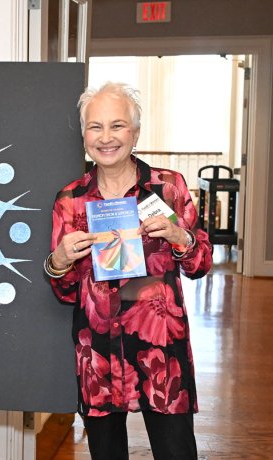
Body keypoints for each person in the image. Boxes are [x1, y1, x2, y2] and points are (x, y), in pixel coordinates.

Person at [44, 82, 212, 459]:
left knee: (177, 453)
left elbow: (200, 265)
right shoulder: (71, 200)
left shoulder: (167, 189)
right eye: (95, 126)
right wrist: (59, 261)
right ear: (84, 135)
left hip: (162, 351)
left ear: (135, 133)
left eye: (117, 126)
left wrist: (178, 235)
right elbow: (66, 292)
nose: (106, 137)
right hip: (98, 356)